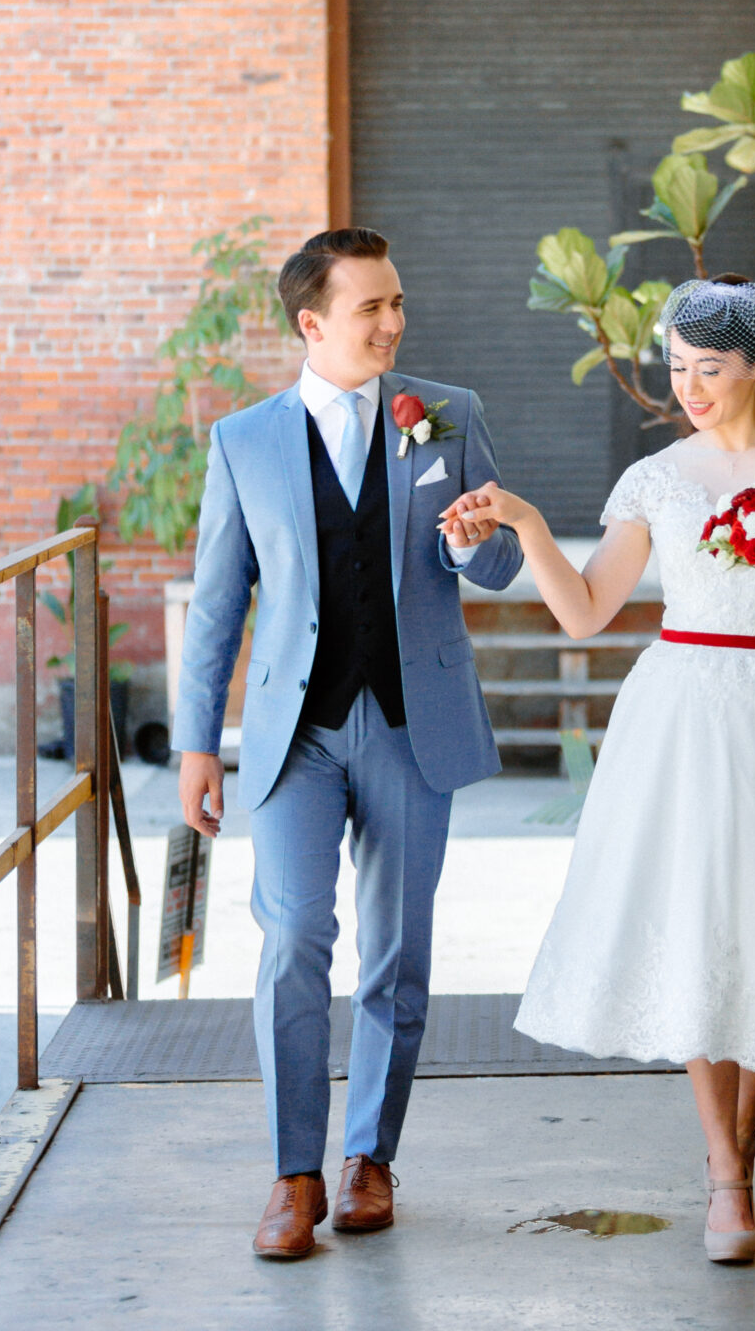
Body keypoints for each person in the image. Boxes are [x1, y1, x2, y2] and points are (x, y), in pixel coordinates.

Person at [442, 274, 755, 1267]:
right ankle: (727, 1176)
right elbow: (585, 612)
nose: (691, 386)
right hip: (680, 715)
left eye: (710, 367)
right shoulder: (656, 480)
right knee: (702, 925)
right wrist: (531, 527)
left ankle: (741, 1150)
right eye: (677, 367)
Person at [172, 227, 522, 1261]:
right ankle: (292, 1175)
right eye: (370, 308)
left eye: (397, 303)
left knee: (398, 953)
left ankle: (369, 1157)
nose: (393, 324)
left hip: (418, 729)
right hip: (297, 735)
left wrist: (476, 541)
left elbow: (500, 564)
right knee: (291, 945)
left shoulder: (450, 416)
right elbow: (218, 604)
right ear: (311, 322)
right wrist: (199, 743)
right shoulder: (243, 440)